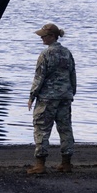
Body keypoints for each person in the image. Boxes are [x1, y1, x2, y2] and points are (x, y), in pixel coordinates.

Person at [26, 22, 77, 174]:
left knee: (41, 128)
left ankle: (40, 164)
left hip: (47, 98)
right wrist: (71, 92)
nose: (41, 38)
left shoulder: (45, 54)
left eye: (44, 36)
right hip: (65, 96)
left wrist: (32, 97)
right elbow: (72, 75)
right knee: (65, 128)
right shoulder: (67, 53)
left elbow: (39, 77)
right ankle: (66, 163)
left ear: (52, 37)